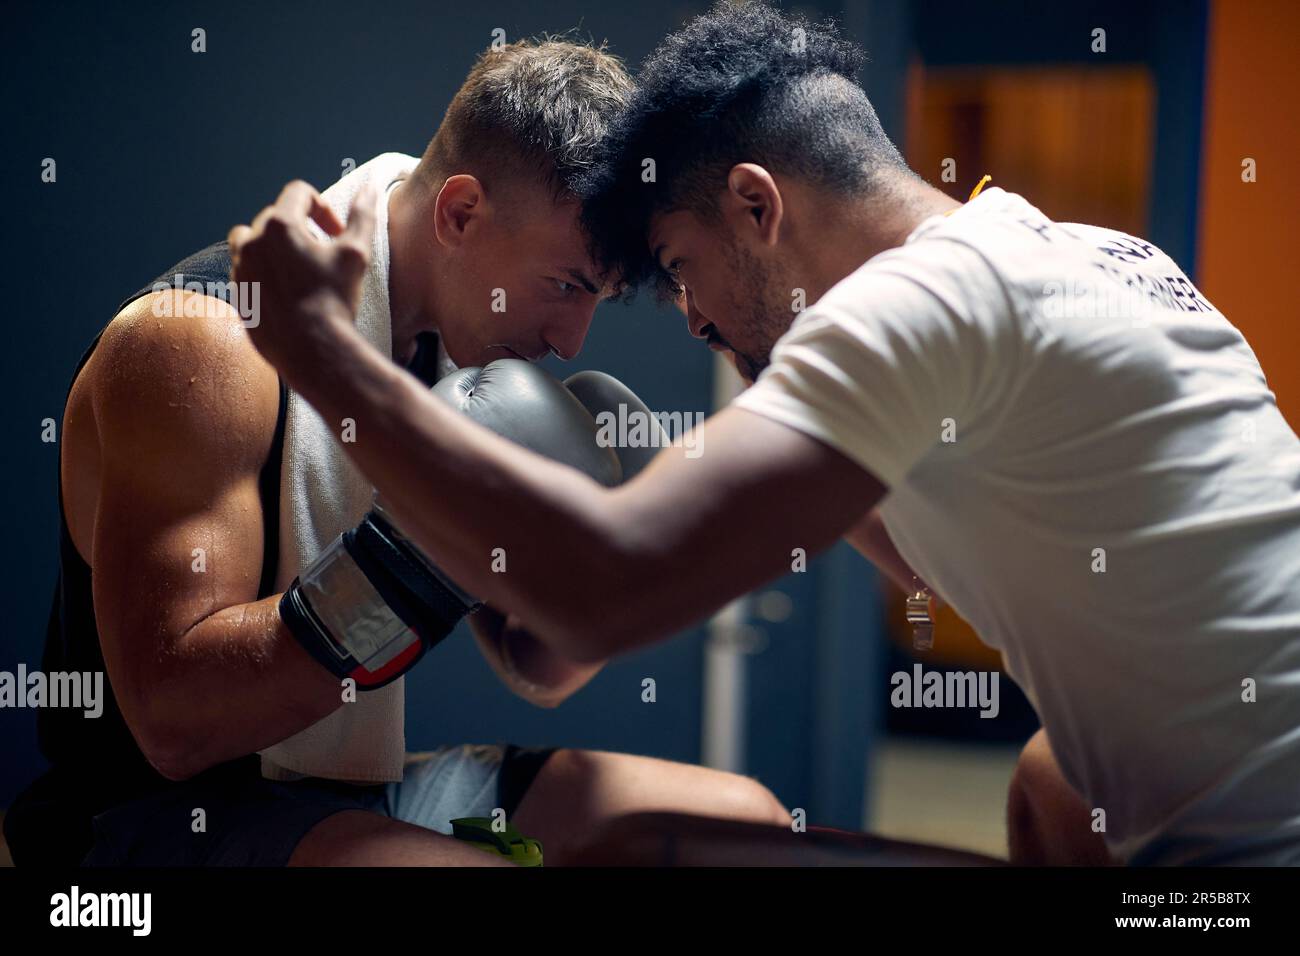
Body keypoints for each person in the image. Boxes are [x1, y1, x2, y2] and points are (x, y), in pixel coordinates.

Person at [229, 1, 1300, 867]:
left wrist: (320, 348)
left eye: (682, 267)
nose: (691, 317)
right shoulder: (1085, 254)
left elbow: (605, 584)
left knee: (673, 862)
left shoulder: (923, 303)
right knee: (1055, 786)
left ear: (757, 205)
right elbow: (840, 535)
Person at [4, 36, 789, 869]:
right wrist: (420, 554)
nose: (571, 341)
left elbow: (536, 666)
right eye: (565, 286)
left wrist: (612, 567)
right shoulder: (205, 348)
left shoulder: (463, 365)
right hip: (149, 819)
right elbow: (173, 727)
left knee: (740, 830)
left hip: (345, 791)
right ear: (459, 213)